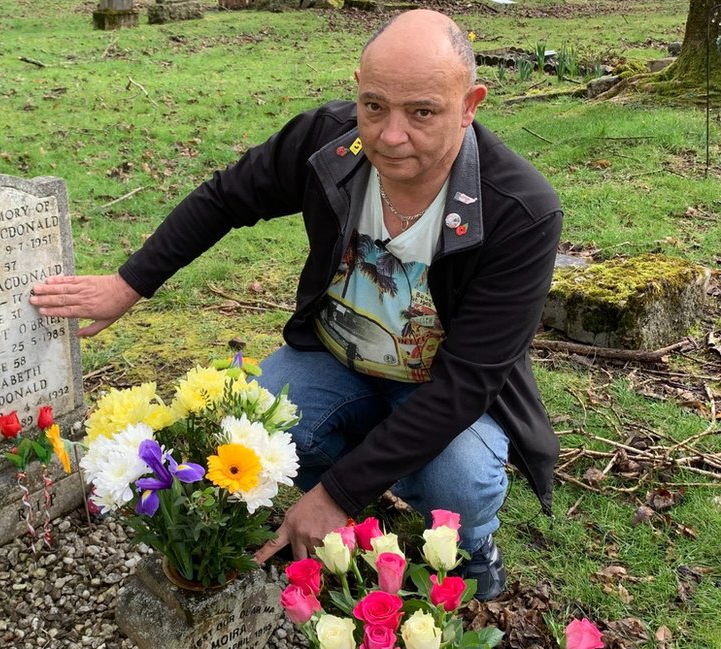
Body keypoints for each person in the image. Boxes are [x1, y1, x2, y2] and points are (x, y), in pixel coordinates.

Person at [29, 9, 562, 601]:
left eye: (423, 112)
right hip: (335, 359)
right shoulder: (328, 143)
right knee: (249, 431)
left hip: (440, 384)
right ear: (357, 86)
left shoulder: (520, 209)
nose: (389, 134)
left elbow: (465, 385)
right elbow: (225, 198)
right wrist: (129, 283)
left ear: (470, 105)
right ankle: (339, 504)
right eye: (374, 104)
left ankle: (470, 540)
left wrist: (338, 494)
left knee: (459, 480)